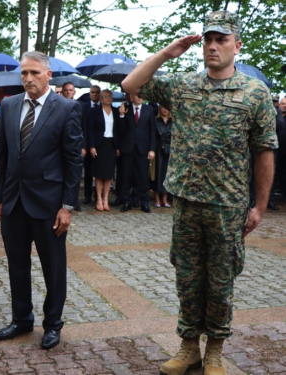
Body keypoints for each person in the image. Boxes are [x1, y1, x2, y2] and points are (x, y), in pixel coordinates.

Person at [122, 11, 278, 375]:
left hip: (228, 206)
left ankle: (215, 352)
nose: (212, 45)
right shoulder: (183, 85)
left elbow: (265, 151)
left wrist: (259, 206)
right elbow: (132, 84)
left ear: (236, 46)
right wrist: (166, 54)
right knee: (188, 280)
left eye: (221, 39)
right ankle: (189, 346)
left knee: (221, 283)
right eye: (208, 39)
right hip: (187, 204)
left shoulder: (255, 93)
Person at [0, 51, 82, 350]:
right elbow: (2, 157)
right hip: (14, 202)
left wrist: (67, 207)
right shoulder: (8, 105)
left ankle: (52, 324)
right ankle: (21, 320)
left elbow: (73, 162)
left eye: (33, 73)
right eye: (23, 73)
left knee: (53, 268)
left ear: (48, 74)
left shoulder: (67, 108)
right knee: (17, 265)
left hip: (49, 205)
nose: (28, 78)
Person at [117, 93, 156, 213]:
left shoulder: (149, 109)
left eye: (142, 96)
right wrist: (122, 115)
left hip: (143, 149)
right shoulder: (125, 108)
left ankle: (144, 202)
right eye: (137, 95)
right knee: (126, 176)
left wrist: (152, 149)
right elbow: (121, 129)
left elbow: (152, 130)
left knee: (143, 177)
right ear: (132, 96)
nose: (139, 97)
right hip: (128, 148)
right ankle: (127, 202)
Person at [88, 89, 120, 211]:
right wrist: (91, 146)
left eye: (110, 96)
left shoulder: (116, 111)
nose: (108, 98)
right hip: (99, 144)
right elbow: (90, 129)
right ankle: (99, 199)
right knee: (99, 174)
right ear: (101, 98)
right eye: (105, 96)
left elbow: (118, 130)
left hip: (111, 143)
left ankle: (106, 198)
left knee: (108, 174)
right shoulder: (94, 111)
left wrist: (117, 146)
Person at [61, 81, 88, 212]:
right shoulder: (58, 105)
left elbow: (84, 127)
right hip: (62, 145)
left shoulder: (81, 105)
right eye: (66, 90)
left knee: (75, 174)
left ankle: (74, 201)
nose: (68, 92)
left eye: (70, 90)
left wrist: (84, 146)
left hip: (77, 144)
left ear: (74, 92)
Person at [83, 85, 101, 205]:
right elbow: (84, 127)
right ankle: (87, 195)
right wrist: (85, 145)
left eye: (96, 92)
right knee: (88, 171)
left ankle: (98, 196)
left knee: (100, 172)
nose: (94, 94)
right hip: (87, 142)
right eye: (92, 92)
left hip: (101, 144)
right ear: (89, 94)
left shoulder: (105, 106)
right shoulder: (84, 107)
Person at [153, 105, 172, 208]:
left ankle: (165, 199)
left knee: (166, 175)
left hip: (169, 151)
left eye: (167, 108)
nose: (165, 110)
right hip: (158, 150)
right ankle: (157, 199)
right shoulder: (156, 121)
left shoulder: (173, 122)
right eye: (163, 108)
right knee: (157, 174)